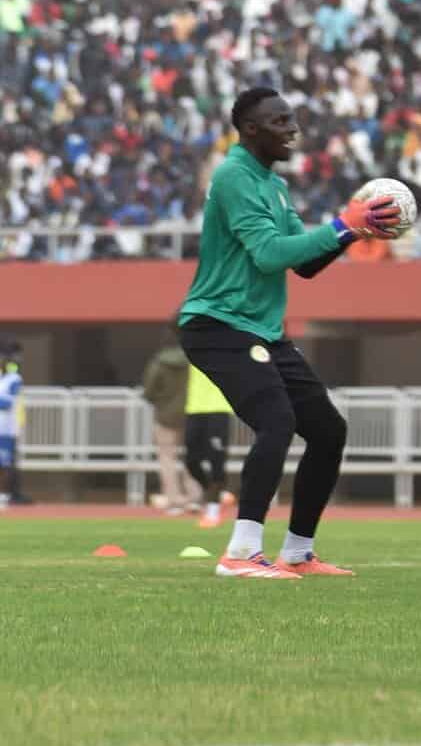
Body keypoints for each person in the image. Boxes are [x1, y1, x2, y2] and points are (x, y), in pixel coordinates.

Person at [178, 87, 401, 580]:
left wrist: (353, 231)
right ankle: (239, 553)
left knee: (327, 431)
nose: (293, 131)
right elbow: (270, 255)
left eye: (293, 121)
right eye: (281, 122)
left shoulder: (273, 185)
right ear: (251, 129)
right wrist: (343, 223)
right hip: (217, 323)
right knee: (276, 422)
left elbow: (302, 264)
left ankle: (298, 552)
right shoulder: (234, 175)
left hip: (259, 329)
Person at [140, 334, 202, 515]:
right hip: (193, 412)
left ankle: (173, 501)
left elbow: (149, 390)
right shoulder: (195, 361)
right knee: (192, 456)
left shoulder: (159, 362)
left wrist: (160, 401)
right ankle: (194, 498)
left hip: (165, 415)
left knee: (167, 457)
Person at [185, 363, 236, 529]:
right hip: (194, 409)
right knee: (191, 461)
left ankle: (213, 511)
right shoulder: (193, 343)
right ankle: (215, 494)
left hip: (219, 409)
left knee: (217, 460)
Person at [0, 342, 18, 511]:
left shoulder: (14, 379)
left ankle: (3, 497)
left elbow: (7, 403)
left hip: (5, 429)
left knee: (4, 463)